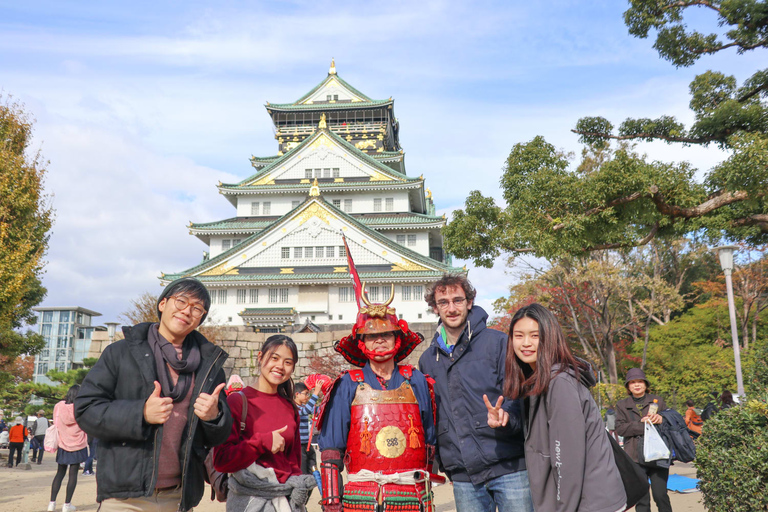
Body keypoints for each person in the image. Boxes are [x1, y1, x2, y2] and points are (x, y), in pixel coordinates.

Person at [75, 277, 232, 512]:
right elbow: (86, 409)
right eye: (181, 301)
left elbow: (218, 436)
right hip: (125, 497)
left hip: (178, 497)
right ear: (162, 304)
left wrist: (214, 418)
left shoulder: (209, 367)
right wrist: (140, 413)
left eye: (197, 309)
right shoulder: (121, 353)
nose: (187, 311)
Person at [487, 304, 626, 512]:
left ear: (550, 337)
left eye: (535, 336)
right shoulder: (537, 381)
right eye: (519, 335)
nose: (526, 343)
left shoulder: (559, 383)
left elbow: (568, 460)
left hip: (590, 503)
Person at [317, 283, 437, 512]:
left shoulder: (417, 380)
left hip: (412, 494)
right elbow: (331, 448)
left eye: (386, 334)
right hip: (361, 496)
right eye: (372, 336)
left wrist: (427, 484)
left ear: (396, 339)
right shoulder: (347, 384)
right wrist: (332, 501)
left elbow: (429, 440)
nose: (379, 340)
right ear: (362, 343)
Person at [419, 273, 532, 512]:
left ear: (469, 302)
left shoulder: (498, 343)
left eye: (458, 300)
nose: (451, 308)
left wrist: (506, 417)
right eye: (443, 302)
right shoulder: (428, 359)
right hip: (463, 475)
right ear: (435, 308)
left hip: (509, 465)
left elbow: (519, 394)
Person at [213, 335, 315, 511]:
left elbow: (294, 463)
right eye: (274, 358)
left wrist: (298, 485)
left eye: (288, 362)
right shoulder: (238, 402)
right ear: (260, 357)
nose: (280, 366)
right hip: (249, 502)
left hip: (286, 502)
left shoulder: (290, 407)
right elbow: (221, 461)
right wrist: (262, 442)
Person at [615, 368, 672, 512]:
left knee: (660, 496)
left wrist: (661, 419)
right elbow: (620, 429)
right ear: (628, 386)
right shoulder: (622, 405)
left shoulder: (658, 401)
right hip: (634, 457)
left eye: (640, 381)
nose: (637, 385)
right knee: (642, 500)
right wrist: (642, 425)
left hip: (657, 455)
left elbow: (670, 424)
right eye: (632, 382)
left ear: (646, 384)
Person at [48, 385, 89, 512]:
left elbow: (56, 422)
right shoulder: (81, 407)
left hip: (62, 443)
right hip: (78, 443)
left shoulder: (59, 406)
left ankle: (52, 503)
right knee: (73, 475)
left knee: (59, 473)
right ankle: (67, 505)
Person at [294, 381, 322, 479]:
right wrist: (316, 393)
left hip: (308, 445)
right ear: (297, 394)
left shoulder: (303, 407)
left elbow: (319, 410)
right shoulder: (293, 408)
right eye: (306, 394)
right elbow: (305, 411)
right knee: (303, 474)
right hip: (299, 446)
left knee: (313, 472)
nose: (307, 396)